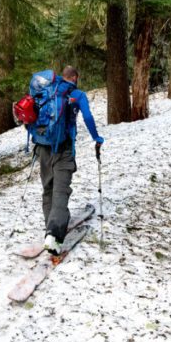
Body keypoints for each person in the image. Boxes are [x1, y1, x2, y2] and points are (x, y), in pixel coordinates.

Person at [35, 65, 104, 255]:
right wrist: (97, 138)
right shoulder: (78, 94)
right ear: (74, 77)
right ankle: (54, 236)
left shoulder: (47, 92)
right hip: (64, 148)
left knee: (48, 188)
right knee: (60, 191)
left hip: (43, 147)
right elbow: (88, 117)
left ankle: (49, 230)